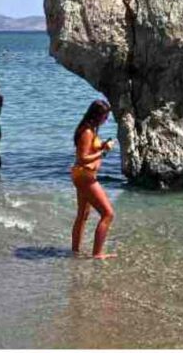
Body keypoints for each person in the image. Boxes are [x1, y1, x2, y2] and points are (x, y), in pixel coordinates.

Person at [70, 99, 116, 259]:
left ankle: (75, 252)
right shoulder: (87, 132)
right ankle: (98, 254)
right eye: (105, 116)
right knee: (108, 214)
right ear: (97, 116)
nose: (106, 119)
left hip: (83, 175)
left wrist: (102, 145)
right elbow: (82, 158)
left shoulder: (90, 130)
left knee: (83, 215)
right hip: (84, 176)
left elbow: (90, 149)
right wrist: (104, 152)